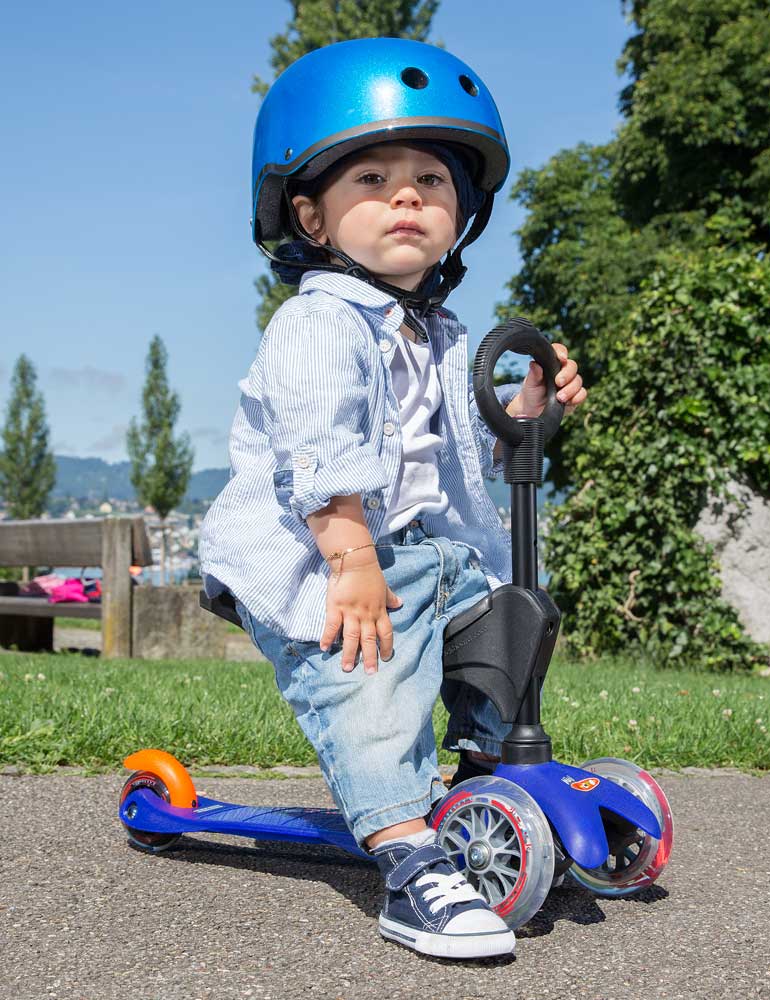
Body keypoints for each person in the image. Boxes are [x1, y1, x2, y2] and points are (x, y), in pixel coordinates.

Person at [200, 38, 586, 960]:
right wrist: (353, 562)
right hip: (321, 556)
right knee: (370, 677)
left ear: (465, 212)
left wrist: (522, 413)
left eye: (433, 179)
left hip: (420, 550)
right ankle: (408, 858)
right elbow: (321, 453)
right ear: (312, 216)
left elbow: (461, 456)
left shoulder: (444, 334)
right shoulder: (317, 322)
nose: (408, 195)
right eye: (372, 175)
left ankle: (495, 778)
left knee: (511, 616)